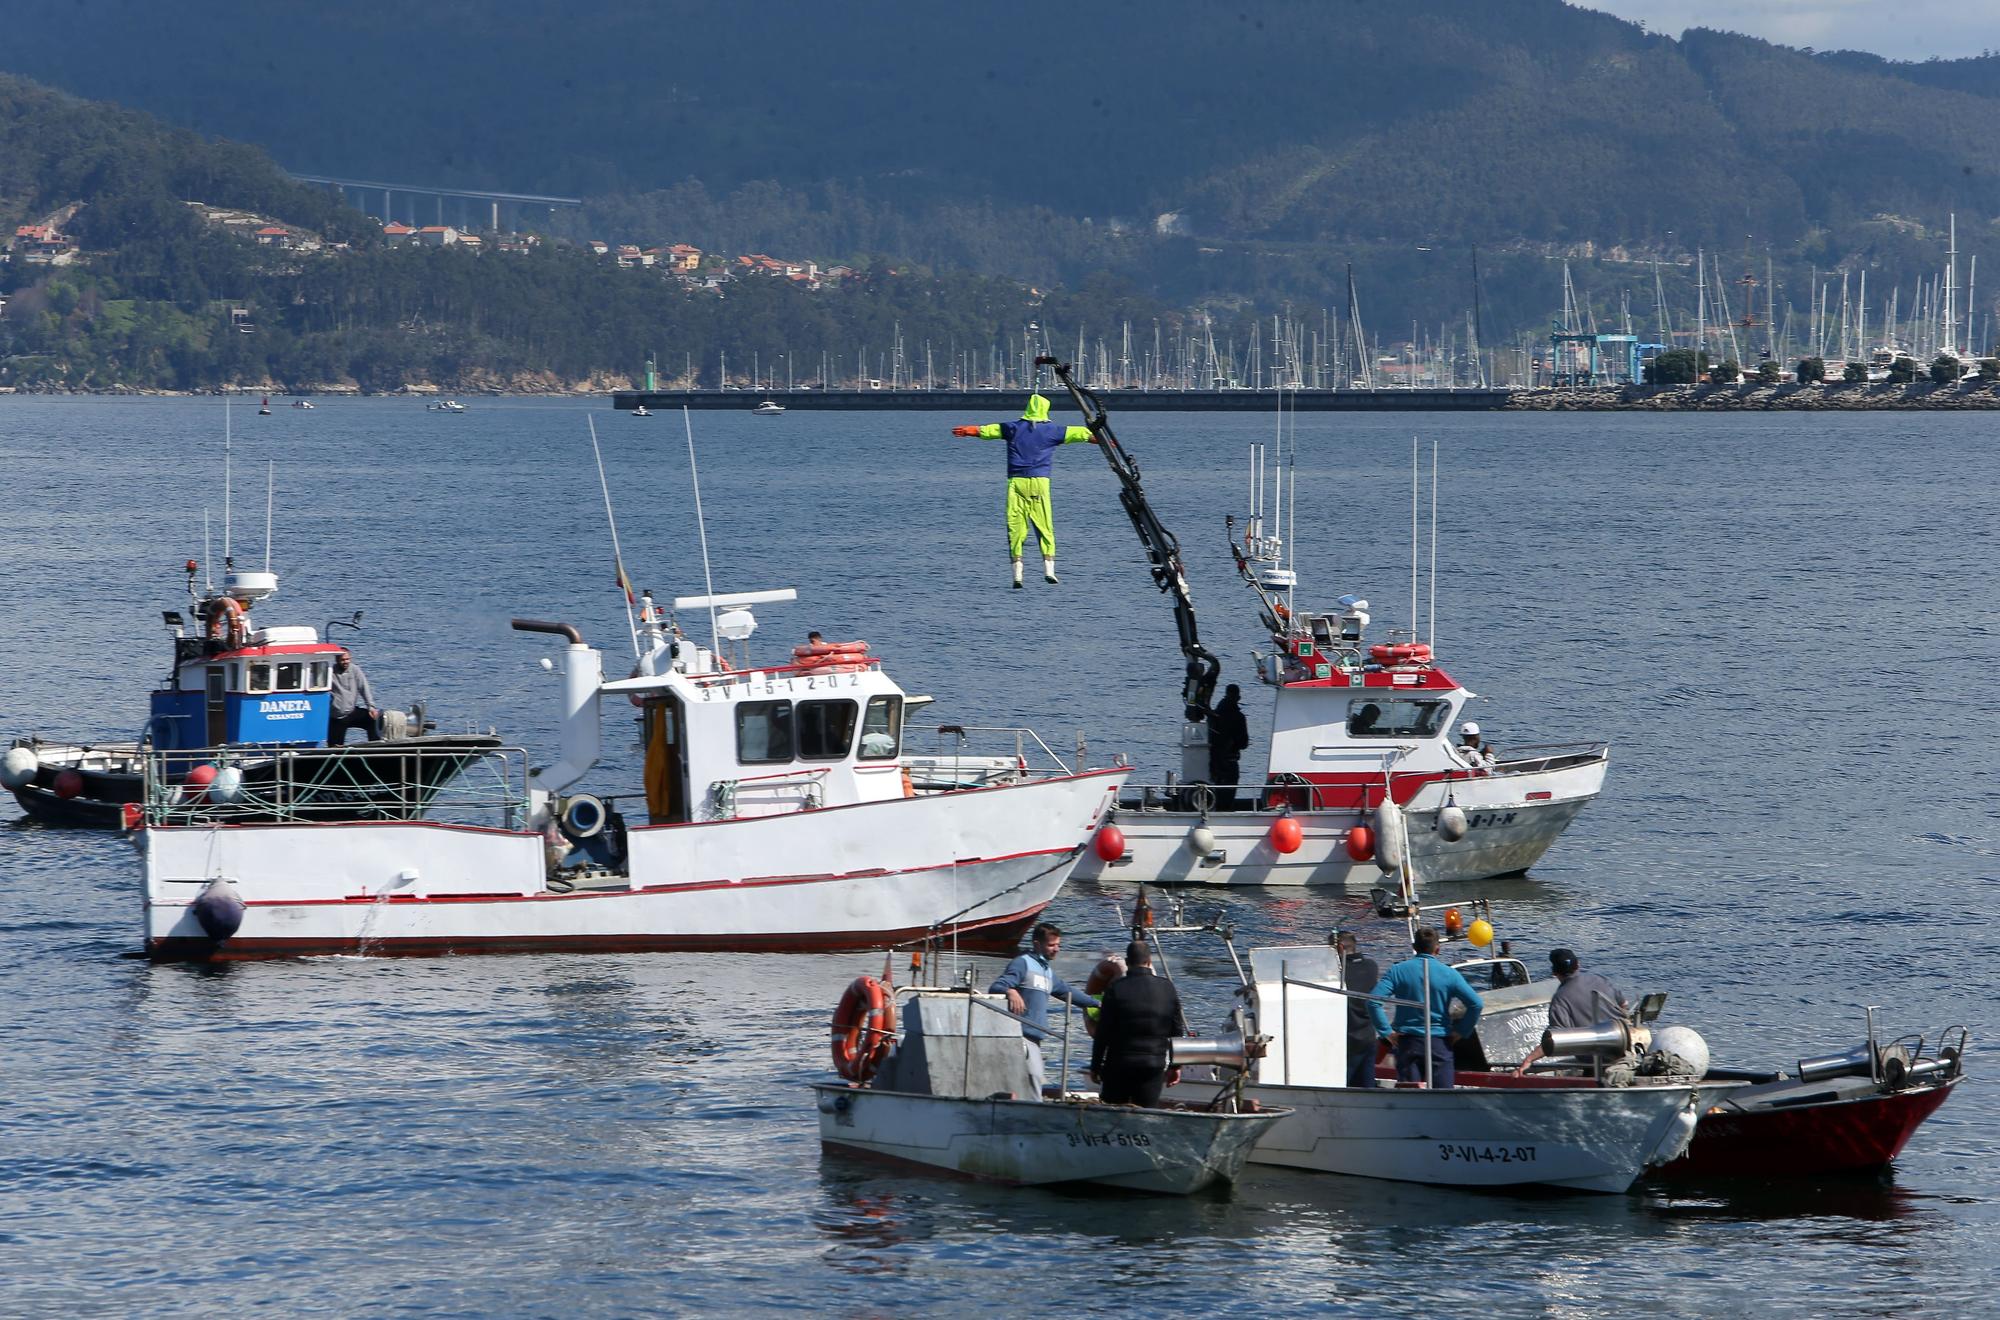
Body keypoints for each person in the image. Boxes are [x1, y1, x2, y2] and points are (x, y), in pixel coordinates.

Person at [950, 393, 1097, 588]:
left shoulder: (1014, 428)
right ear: (1045, 409)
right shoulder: (1052, 430)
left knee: (1016, 527)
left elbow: (989, 430)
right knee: (1044, 525)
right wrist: (1102, 439)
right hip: (1039, 483)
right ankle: (1049, 570)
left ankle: (1017, 574)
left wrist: (970, 431)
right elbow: (1081, 433)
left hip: (1017, 483)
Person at [1369, 926, 1483, 1089]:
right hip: (1440, 1043)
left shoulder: (1397, 971)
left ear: (1414, 948)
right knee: (1443, 1097)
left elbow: (1373, 1002)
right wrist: (1461, 1031)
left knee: (1410, 1096)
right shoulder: (1449, 974)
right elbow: (1476, 1004)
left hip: (1408, 1042)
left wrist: (1386, 1032)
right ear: (1438, 948)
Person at [989, 922, 1097, 1093]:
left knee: (1035, 1080)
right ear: (1037, 944)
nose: (1056, 949)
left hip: (1035, 1037)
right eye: (1051, 945)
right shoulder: (1022, 963)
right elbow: (996, 986)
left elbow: (1067, 991)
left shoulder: (1047, 971)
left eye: (1058, 945)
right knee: (1033, 1081)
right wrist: (1010, 991)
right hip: (1020, 1036)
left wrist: (1096, 1003)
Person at [1089, 940, 1184, 1107]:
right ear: (1149, 961)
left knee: (1113, 1114)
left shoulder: (1116, 989)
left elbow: (1103, 1032)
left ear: (1126, 962)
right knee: (1147, 1114)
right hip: (1153, 1065)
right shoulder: (1167, 988)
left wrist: (1095, 1066)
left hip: (1119, 1064)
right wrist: (1176, 1066)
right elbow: (1177, 1031)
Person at [1513, 948, 1629, 1076]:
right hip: (1625, 1049)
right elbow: (1624, 1005)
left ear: (1554, 972)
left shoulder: (1560, 999)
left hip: (1598, 1064)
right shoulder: (1600, 979)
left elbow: (1554, 1039)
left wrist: (1528, 1060)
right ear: (1578, 964)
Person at [1334, 930, 1381, 1088]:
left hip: (1347, 1038)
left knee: (1341, 1085)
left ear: (1340, 948)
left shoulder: (1337, 972)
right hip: (1368, 1036)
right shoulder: (1371, 966)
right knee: (1367, 1085)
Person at [1206, 684, 1251, 807]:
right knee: (1227, 799)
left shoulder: (1215, 715)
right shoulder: (1238, 717)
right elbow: (1243, 743)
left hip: (1214, 762)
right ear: (1238, 697)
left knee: (1216, 796)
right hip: (1230, 762)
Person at [327, 650, 382, 745]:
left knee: (373, 720)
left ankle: (375, 747)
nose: (346, 662)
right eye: (342, 660)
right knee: (335, 745)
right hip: (337, 716)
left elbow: (364, 688)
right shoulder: (330, 672)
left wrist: (371, 707)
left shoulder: (355, 670)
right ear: (337, 660)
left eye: (348, 659)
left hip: (352, 711)